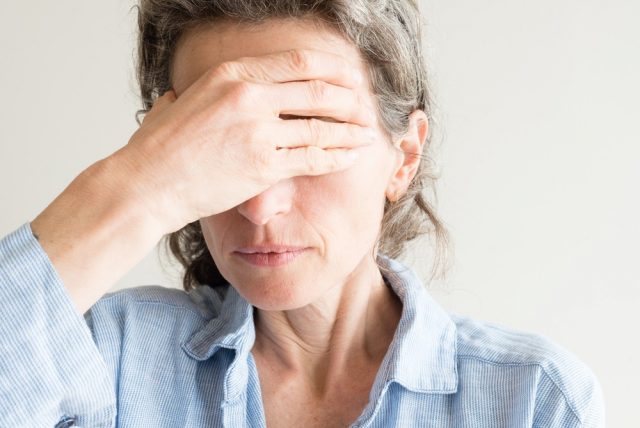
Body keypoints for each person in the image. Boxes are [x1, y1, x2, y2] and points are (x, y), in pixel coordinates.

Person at [0, 0, 605, 427]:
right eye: (221, 149)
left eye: (309, 140)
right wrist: (137, 187)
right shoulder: (106, 359)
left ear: (404, 155)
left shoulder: (534, 401)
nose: (261, 206)